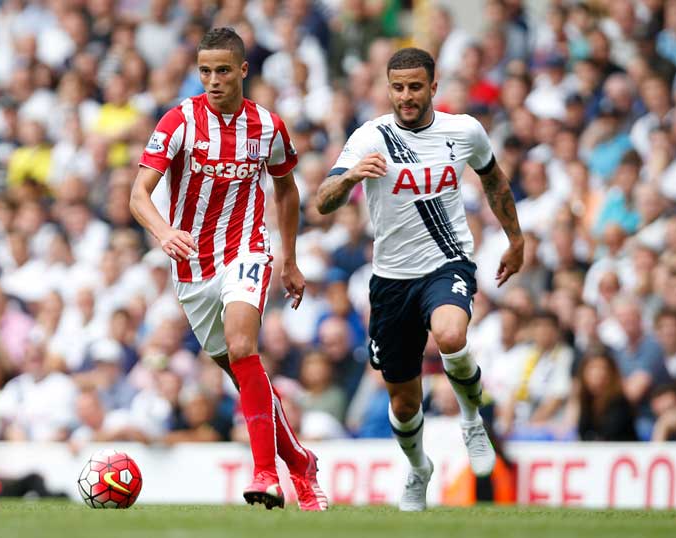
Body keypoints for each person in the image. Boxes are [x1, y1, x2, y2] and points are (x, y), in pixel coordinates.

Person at [315, 47, 524, 511]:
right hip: (390, 281)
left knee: (451, 334)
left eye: (415, 86)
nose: (406, 96)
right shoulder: (370, 137)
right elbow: (322, 201)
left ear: (434, 86)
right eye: (398, 87)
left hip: (447, 263)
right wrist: (350, 177)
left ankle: (472, 421)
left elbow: (495, 181)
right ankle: (418, 469)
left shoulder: (464, 130)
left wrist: (515, 239)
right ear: (388, 88)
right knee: (405, 404)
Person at [129, 28, 326, 511]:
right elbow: (138, 194)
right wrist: (164, 232)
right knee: (244, 375)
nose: (213, 80)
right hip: (193, 265)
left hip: (247, 250)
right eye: (204, 72)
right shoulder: (178, 121)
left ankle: (265, 474)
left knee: (243, 346)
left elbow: (287, 190)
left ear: (242, 69)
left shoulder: (268, 126)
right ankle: (300, 463)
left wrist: (292, 259)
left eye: (222, 70)